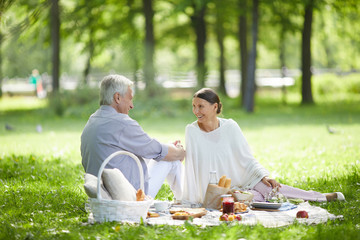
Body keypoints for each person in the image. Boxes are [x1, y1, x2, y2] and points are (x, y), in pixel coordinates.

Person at [182, 88, 345, 205]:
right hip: (216, 191)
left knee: (270, 188)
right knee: (238, 199)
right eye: (194, 106)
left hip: (246, 178)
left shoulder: (230, 127)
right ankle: (252, 197)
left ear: (215, 107)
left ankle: (320, 197)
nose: (196, 111)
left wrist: (263, 176)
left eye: (201, 106)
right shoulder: (192, 131)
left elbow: (246, 158)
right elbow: (193, 168)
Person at [81, 74, 185, 199]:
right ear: (117, 97)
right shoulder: (122, 123)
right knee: (172, 160)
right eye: (130, 99)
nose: (132, 105)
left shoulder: (92, 120)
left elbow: (148, 148)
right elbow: (155, 150)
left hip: (102, 194)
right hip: (128, 197)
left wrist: (168, 148)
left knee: (162, 153)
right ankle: (187, 202)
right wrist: (180, 152)